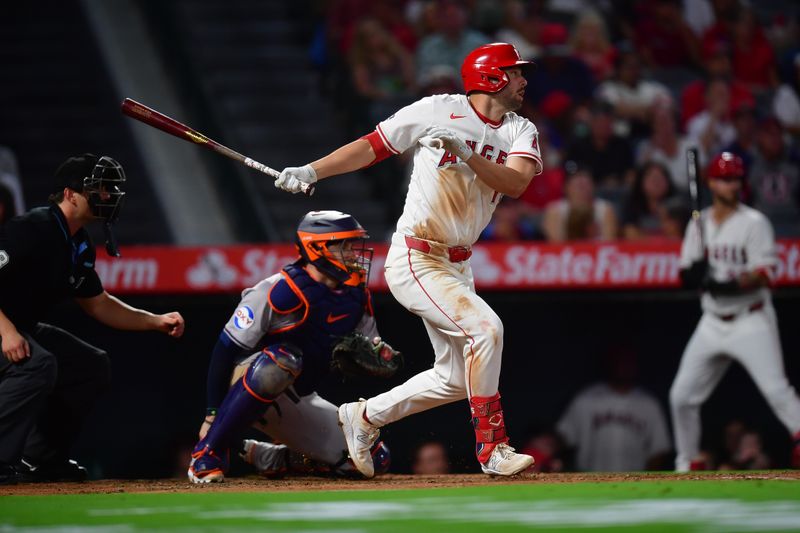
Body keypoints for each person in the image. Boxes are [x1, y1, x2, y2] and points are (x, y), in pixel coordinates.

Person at [274, 42, 541, 477]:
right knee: (487, 329)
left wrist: (468, 154)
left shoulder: (520, 129)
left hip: (457, 265)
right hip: (417, 256)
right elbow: (371, 146)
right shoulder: (438, 110)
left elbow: (515, 184)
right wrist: (311, 171)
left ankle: (363, 417)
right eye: (515, 72)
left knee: (456, 379)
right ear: (492, 77)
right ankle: (493, 449)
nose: (524, 80)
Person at [0, 154, 185, 485]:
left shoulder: (77, 242)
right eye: (98, 189)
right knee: (36, 363)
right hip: (5, 326)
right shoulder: (31, 229)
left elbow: (99, 305)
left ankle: (39, 460)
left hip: (19, 326)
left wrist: (154, 320)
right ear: (70, 194)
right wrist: (7, 332)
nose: (107, 196)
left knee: (89, 365)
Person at [188, 210, 395, 483]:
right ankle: (208, 452)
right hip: (247, 382)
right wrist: (212, 413)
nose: (353, 253)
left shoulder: (356, 296)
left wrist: (383, 355)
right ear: (317, 247)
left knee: (372, 459)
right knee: (282, 360)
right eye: (343, 245)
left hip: (300, 395)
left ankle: (275, 458)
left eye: (352, 245)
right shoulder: (277, 290)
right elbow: (225, 349)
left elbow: (371, 345)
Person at [670, 151, 800, 472]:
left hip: (750, 318)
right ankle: (688, 462)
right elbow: (685, 273)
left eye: (734, 179)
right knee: (681, 396)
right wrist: (694, 274)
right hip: (713, 321)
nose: (730, 185)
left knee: (777, 391)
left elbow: (764, 274)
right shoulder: (698, 225)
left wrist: (725, 282)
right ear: (712, 183)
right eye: (724, 179)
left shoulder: (754, 223)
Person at [557, 343, 672, 472]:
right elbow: (563, 438)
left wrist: (648, 483)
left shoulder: (649, 404)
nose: (624, 365)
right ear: (610, 363)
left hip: (634, 483)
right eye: (620, 360)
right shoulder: (585, 399)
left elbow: (659, 449)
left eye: (628, 361)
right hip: (590, 482)